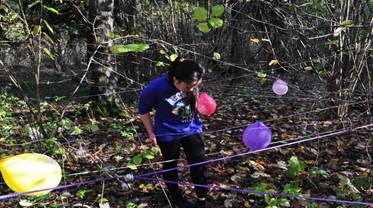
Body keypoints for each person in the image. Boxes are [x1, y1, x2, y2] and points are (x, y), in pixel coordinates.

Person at [138, 57, 207, 208]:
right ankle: (176, 197)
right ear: (176, 81)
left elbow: (187, 102)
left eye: (195, 85)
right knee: (170, 165)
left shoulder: (191, 79)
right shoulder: (155, 88)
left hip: (192, 128)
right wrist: (151, 133)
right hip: (167, 132)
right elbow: (143, 111)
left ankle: (201, 198)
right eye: (189, 86)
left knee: (199, 163)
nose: (192, 88)